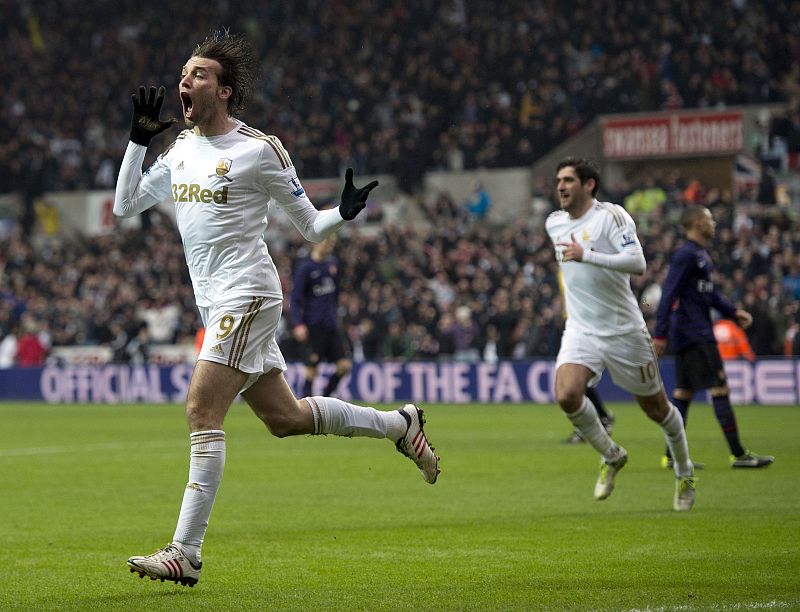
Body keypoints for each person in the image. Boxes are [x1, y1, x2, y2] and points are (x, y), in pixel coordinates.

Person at [114, 31, 440, 588]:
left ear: (224, 89)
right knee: (284, 420)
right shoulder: (181, 150)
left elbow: (309, 225)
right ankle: (398, 425)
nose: (184, 83)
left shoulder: (258, 149)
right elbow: (125, 206)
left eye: (197, 75)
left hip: (250, 293)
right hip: (215, 302)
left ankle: (185, 553)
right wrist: (138, 142)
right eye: (184, 74)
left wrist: (342, 212)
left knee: (201, 412)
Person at [545, 157, 696, 512]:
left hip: (624, 329)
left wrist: (588, 254)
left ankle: (685, 471)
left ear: (588, 184)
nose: (561, 187)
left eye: (568, 180)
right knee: (566, 394)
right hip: (582, 328)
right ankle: (611, 455)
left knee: (656, 409)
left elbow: (638, 263)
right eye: (558, 181)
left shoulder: (611, 217)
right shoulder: (553, 223)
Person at [653, 206, 773, 469]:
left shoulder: (700, 255)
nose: (714, 223)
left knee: (683, 393)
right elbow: (669, 292)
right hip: (695, 333)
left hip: (690, 332)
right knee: (720, 388)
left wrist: (732, 312)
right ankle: (738, 454)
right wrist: (659, 333)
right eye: (709, 219)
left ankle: (672, 456)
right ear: (696, 222)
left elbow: (710, 295)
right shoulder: (686, 254)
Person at [289, 235, 352, 397]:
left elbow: (336, 292)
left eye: (332, 241)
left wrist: (334, 313)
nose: (329, 245)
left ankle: (325, 398)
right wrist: (297, 324)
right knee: (312, 369)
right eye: (326, 241)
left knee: (344, 366)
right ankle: (304, 405)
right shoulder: (306, 268)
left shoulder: (333, 264)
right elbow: (295, 298)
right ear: (316, 242)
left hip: (331, 325)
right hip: (313, 325)